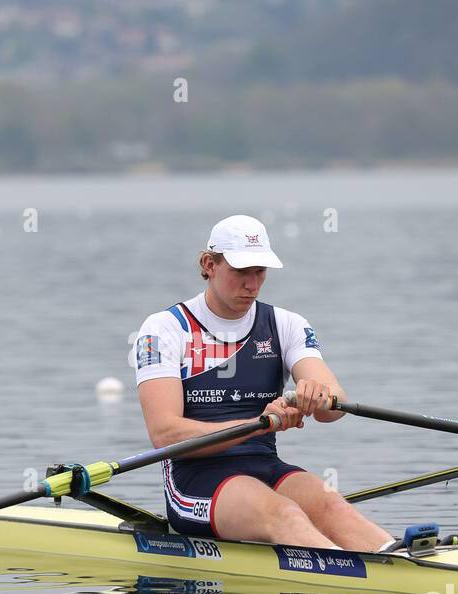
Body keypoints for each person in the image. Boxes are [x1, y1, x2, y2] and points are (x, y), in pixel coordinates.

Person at [129, 214, 399, 551]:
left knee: (332, 506)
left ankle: (402, 563)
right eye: (241, 271)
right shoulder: (164, 329)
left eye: (260, 272)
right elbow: (164, 434)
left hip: (266, 467)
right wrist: (256, 425)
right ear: (209, 264)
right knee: (286, 513)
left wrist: (317, 396)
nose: (252, 285)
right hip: (194, 480)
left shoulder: (286, 324)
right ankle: (356, 579)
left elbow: (335, 406)